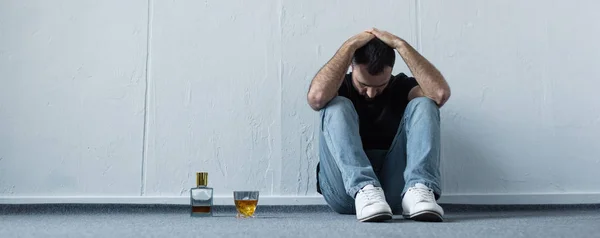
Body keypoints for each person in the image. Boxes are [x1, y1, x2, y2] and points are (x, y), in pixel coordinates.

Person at [307, 28, 451, 222]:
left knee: (425, 102)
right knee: (335, 105)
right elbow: (316, 98)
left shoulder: (400, 86)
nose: (371, 94)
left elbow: (439, 95)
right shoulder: (340, 85)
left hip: (394, 193)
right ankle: (363, 188)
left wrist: (401, 45)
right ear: (352, 67)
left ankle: (419, 189)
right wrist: (349, 46)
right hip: (345, 193)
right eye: (363, 85)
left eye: (379, 86)